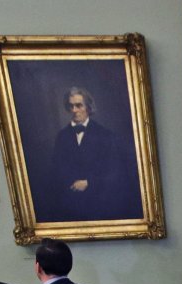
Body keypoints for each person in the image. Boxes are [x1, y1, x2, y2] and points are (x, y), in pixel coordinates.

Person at [41, 86, 143, 223]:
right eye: (71, 106)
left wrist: (88, 182)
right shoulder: (62, 136)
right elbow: (56, 169)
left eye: (78, 105)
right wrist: (70, 183)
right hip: (69, 204)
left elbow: (114, 171)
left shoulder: (105, 135)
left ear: (88, 107)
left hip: (98, 202)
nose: (74, 110)